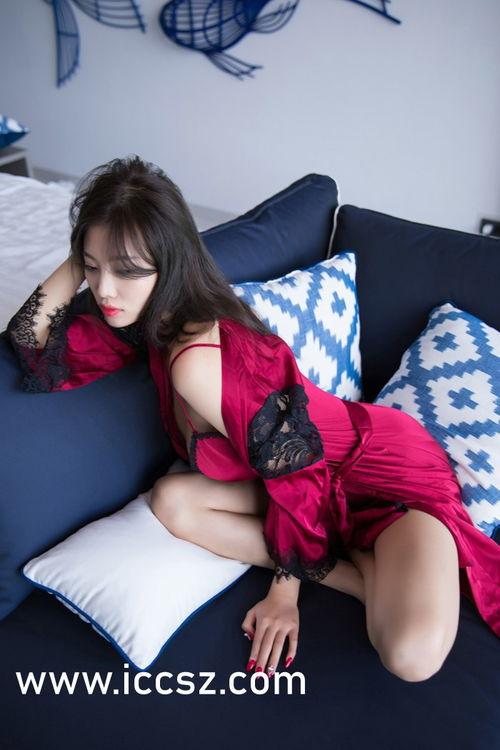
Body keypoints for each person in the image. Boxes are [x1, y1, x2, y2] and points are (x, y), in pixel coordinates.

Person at [6, 155, 500, 685]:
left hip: (383, 477)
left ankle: (361, 557)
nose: (105, 290)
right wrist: (88, 250)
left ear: (171, 262)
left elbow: (298, 467)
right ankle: (357, 572)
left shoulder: (196, 360)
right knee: (172, 502)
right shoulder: (146, 322)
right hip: (312, 485)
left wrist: (284, 595)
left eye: (127, 269)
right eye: (94, 268)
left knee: (409, 657)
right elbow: (29, 339)